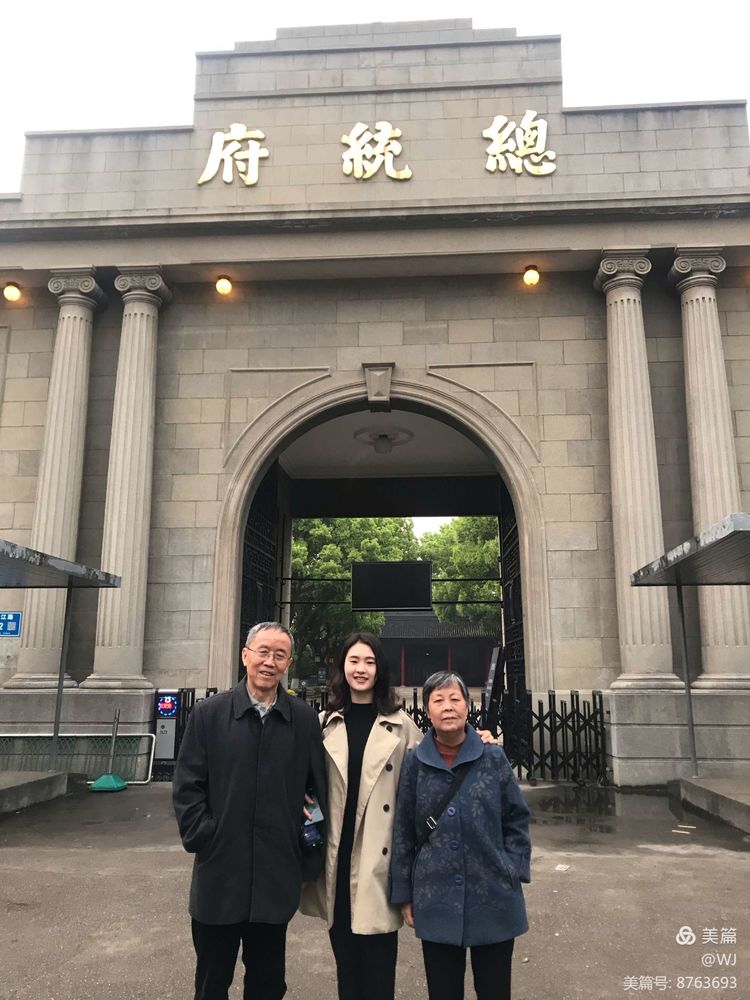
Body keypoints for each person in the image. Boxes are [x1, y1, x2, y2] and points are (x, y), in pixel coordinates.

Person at [173, 621, 326, 1000]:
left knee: (268, 984)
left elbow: (313, 793)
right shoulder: (209, 715)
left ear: (288, 663)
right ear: (245, 656)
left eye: (280, 655)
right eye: (263, 652)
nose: (269, 662)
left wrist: (307, 855)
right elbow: (188, 786)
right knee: (212, 982)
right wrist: (204, 835)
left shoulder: (303, 720)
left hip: (275, 878)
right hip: (219, 876)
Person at [390, 670, 531, 1000]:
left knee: (494, 990)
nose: (448, 706)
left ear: (468, 705)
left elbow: (516, 818)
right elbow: (404, 830)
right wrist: (405, 892)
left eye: (455, 698)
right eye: (438, 700)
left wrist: (513, 869)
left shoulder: (493, 757)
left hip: (493, 894)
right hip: (435, 894)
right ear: (426, 709)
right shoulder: (415, 762)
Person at [300, 632, 422, 1000]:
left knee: (379, 969)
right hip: (336, 859)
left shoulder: (402, 726)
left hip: (378, 863)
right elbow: (305, 784)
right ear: (342, 667)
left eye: (369, 662)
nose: (361, 669)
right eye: (353, 661)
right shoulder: (325, 722)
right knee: (347, 968)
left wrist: (480, 740)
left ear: (379, 669)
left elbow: (423, 789)